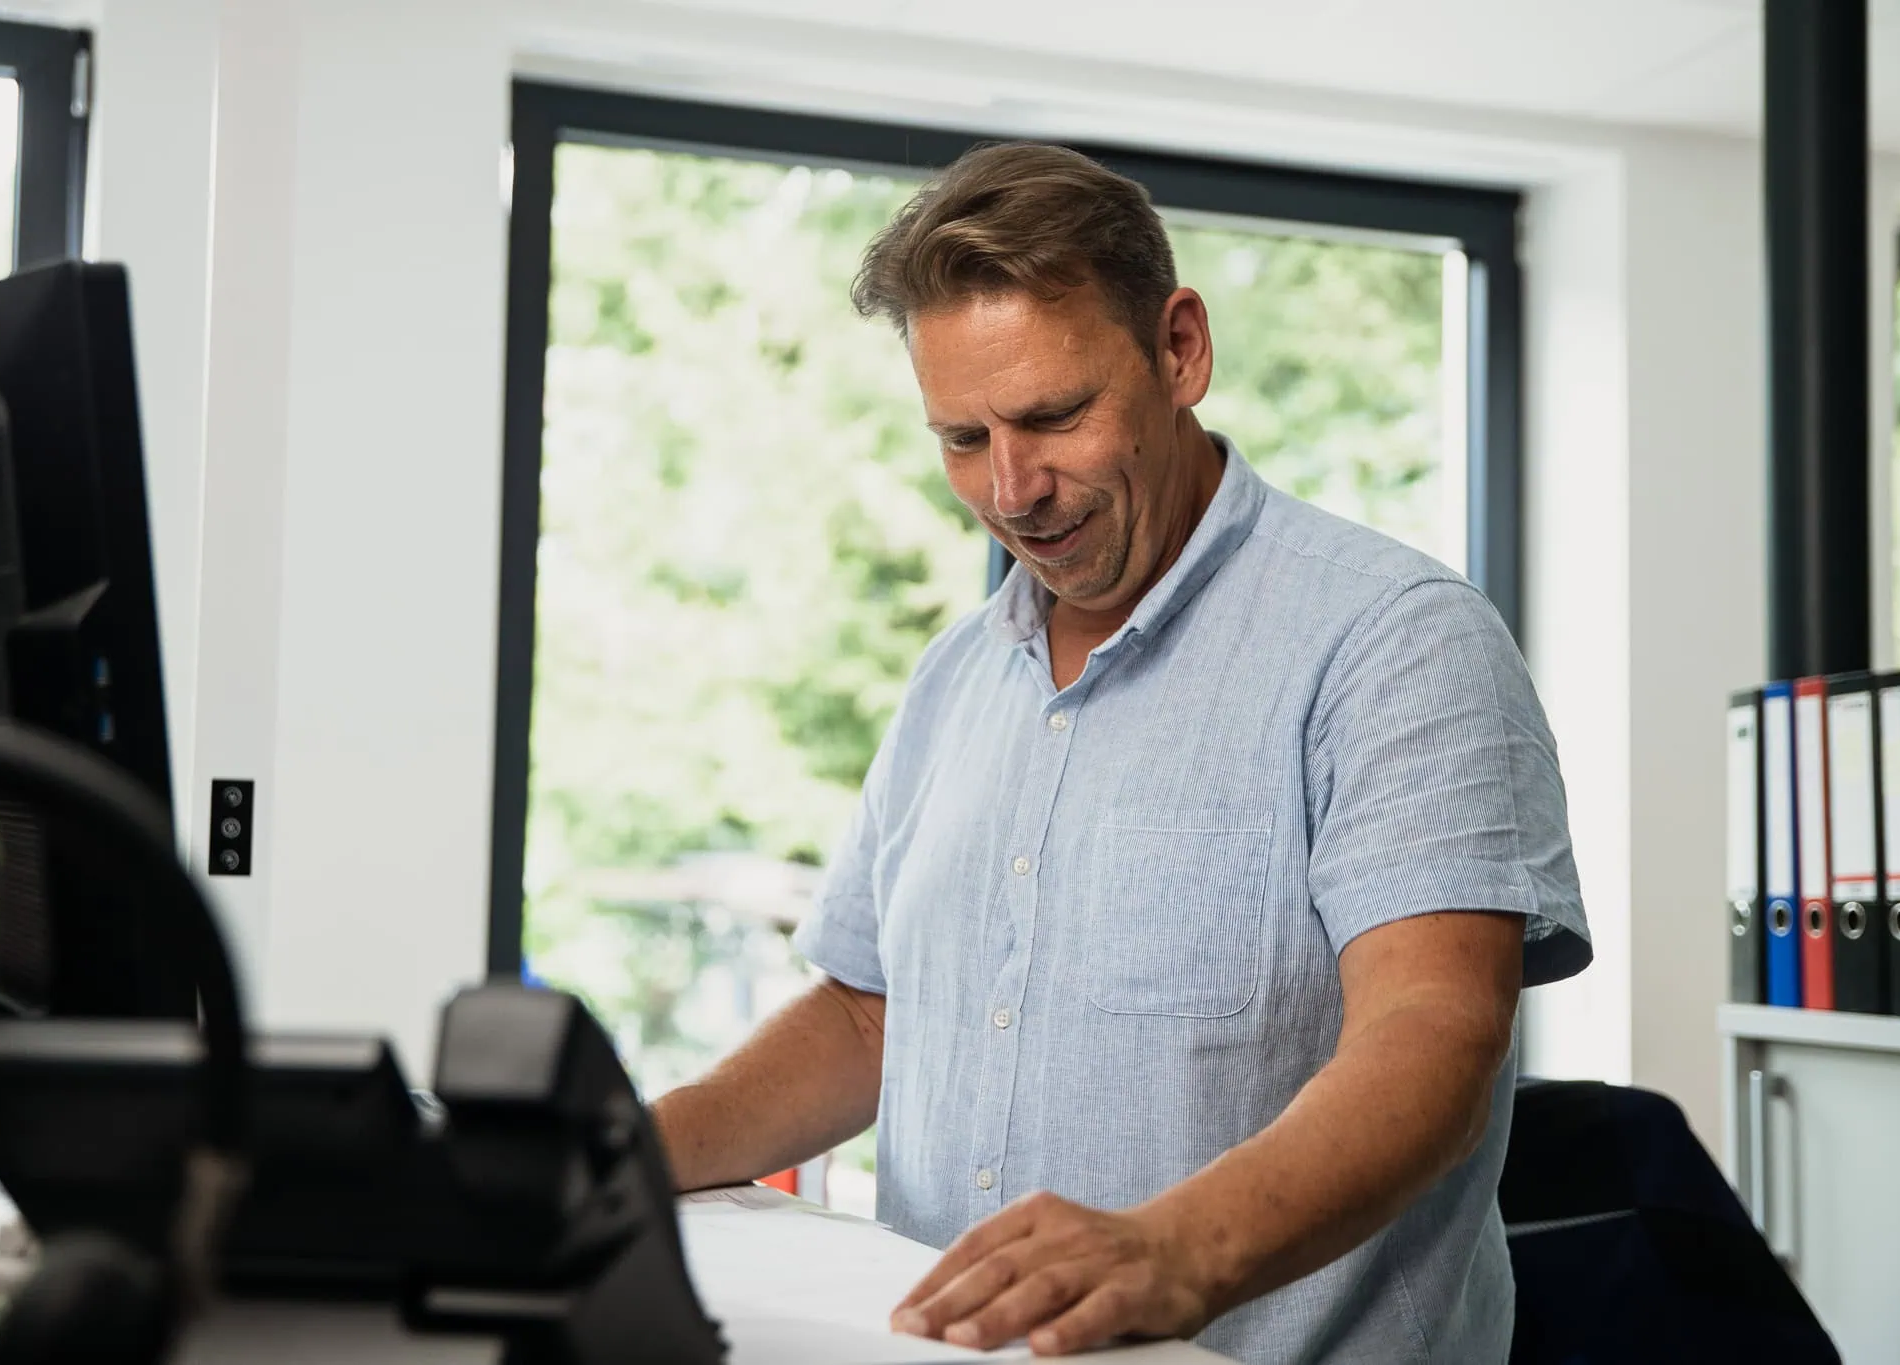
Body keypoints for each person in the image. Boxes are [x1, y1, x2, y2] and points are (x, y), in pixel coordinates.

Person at [651, 141, 1590, 1363]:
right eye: (961, 439)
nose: (1012, 488)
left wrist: (1171, 1252)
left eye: (1052, 416)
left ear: (1179, 349)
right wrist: (616, 1157)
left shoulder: (1391, 642)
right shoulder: (952, 678)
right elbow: (869, 1019)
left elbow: (1431, 1036)